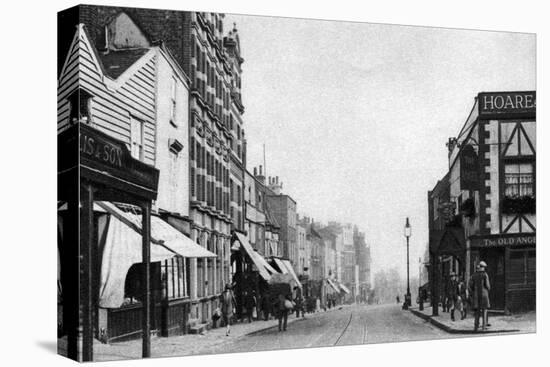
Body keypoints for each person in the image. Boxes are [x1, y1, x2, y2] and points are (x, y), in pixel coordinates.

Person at [468, 261, 491, 331]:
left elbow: (469, 287)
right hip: (484, 295)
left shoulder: (473, 276)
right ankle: (484, 327)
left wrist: (472, 293)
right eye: (484, 267)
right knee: (484, 310)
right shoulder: (485, 275)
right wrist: (488, 289)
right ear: (482, 267)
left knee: (477, 311)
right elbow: (488, 285)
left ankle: (476, 326)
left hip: (476, 296)